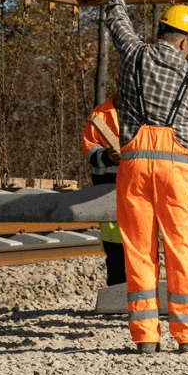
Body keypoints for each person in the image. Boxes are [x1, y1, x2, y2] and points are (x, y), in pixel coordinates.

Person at [98, 0, 188, 354]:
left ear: (162, 31)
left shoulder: (135, 55)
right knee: (182, 248)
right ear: (185, 43)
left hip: (134, 164)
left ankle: (145, 338)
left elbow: (115, 13)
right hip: (177, 166)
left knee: (139, 249)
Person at [82, 92, 125, 286]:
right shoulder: (100, 115)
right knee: (115, 253)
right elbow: (90, 149)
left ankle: (141, 298)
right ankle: (116, 293)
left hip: (138, 191)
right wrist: (107, 155)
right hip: (108, 193)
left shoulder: (147, 111)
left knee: (141, 252)